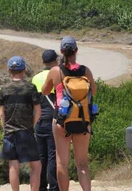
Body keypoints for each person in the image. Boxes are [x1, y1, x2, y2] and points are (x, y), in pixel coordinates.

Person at [42, 37, 96, 191]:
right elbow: (94, 91)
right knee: (83, 163)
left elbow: (45, 91)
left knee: (62, 162)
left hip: (61, 119)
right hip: (83, 118)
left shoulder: (55, 71)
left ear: (61, 52)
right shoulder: (85, 70)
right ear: (76, 51)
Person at [0, 55, 42, 191]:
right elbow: (38, 110)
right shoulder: (30, 88)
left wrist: (5, 128)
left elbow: (2, 113)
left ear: (9, 71)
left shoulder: (4, 90)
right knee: (35, 165)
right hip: (26, 131)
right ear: (24, 70)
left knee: (13, 165)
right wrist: (32, 125)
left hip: (10, 131)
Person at [32, 49, 60, 191]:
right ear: (56, 60)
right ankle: (54, 187)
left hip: (38, 121)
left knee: (41, 156)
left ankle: (41, 186)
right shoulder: (57, 75)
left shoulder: (35, 78)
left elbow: (34, 102)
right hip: (52, 120)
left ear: (43, 62)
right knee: (52, 155)